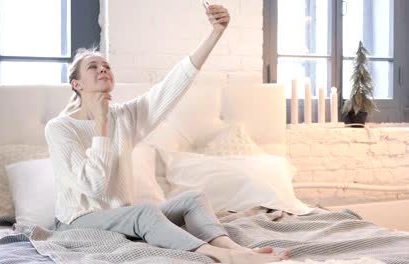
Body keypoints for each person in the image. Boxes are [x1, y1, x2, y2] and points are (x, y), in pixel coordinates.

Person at [45, 3, 290, 264]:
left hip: (123, 216)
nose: (103, 69)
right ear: (76, 84)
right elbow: (95, 187)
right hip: (79, 222)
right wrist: (102, 123)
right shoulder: (60, 128)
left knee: (193, 198)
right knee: (145, 212)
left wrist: (216, 33)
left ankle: (234, 248)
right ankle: (221, 256)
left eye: (106, 65)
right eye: (93, 67)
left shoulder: (125, 116)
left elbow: (175, 82)